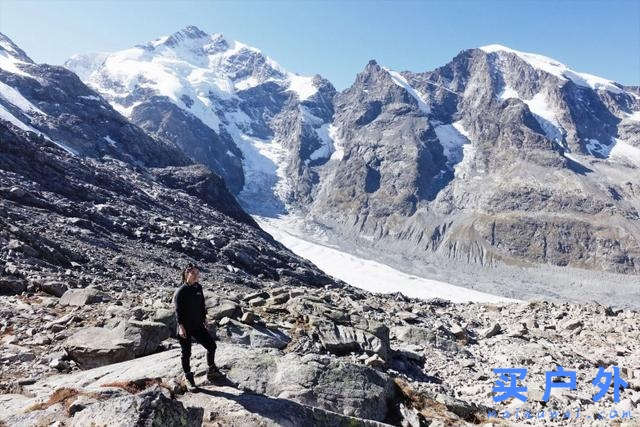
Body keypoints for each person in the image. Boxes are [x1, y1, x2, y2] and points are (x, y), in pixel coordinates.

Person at [173, 263, 222, 389]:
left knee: (212, 346)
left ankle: (211, 369)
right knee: (186, 353)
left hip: (197, 325)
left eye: (197, 273)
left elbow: (201, 305)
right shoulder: (181, 291)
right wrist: (180, 326)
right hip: (185, 327)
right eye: (193, 273)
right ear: (186, 274)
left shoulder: (198, 288)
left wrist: (204, 318)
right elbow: (178, 310)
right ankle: (188, 378)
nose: (196, 276)